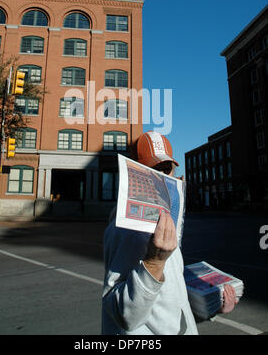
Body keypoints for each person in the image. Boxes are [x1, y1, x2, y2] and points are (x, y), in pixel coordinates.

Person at [101, 131, 236, 335]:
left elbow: (170, 304)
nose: (162, 178)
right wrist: (154, 263)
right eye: (153, 169)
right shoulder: (124, 230)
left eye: (166, 169)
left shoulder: (165, 225)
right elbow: (123, 315)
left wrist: (210, 306)